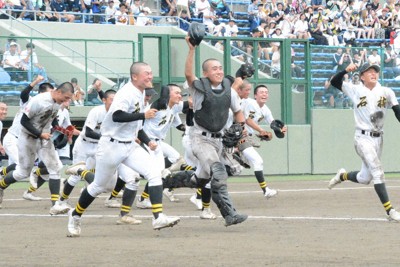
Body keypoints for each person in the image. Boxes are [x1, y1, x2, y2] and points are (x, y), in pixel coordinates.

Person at [66, 62, 180, 237]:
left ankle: (158, 217)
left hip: (130, 145)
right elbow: (117, 115)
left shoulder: (141, 93)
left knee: (154, 173)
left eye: (151, 73)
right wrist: (143, 115)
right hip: (111, 145)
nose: (150, 76)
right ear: (135, 76)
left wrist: (147, 141)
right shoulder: (126, 92)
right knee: (98, 186)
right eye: (146, 73)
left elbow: (136, 125)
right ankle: (75, 215)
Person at [184, 36, 248, 226]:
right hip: (200, 139)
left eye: (220, 68)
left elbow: (238, 112)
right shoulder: (200, 88)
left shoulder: (229, 90)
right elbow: (188, 75)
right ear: (205, 73)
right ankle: (230, 215)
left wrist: (240, 130)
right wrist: (192, 49)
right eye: (214, 68)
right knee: (218, 173)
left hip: (219, 140)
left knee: (200, 179)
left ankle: (169, 181)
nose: (219, 71)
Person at [328, 62, 400, 222]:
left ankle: (342, 175)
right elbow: (334, 82)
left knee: (365, 178)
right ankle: (390, 211)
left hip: (378, 139)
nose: (373, 73)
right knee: (377, 171)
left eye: (375, 71)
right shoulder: (355, 89)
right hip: (362, 138)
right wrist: (345, 70)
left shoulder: (386, 91)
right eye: (369, 71)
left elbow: (397, 111)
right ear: (362, 76)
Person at [0, 82, 74, 214]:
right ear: (58, 92)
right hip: (28, 137)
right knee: (23, 173)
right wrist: (40, 134)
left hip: (44, 138)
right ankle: (0, 186)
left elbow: (53, 119)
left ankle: (55, 205)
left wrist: (59, 129)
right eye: (66, 97)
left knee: (55, 167)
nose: (67, 101)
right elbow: (24, 121)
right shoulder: (38, 100)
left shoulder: (57, 103)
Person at [240, 84, 286, 198]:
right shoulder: (251, 103)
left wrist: (280, 129)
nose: (264, 94)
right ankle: (266, 190)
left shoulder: (265, 109)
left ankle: (199, 196)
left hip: (248, 137)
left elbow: (273, 124)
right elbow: (248, 120)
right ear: (255, 95)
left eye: (266, 92)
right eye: (261, 92)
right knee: (258, 161)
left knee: (230, 169)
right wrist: (261, 130)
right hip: (239, 135)